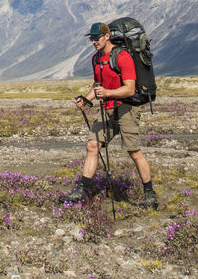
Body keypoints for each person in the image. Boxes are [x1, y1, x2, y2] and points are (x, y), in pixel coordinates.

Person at [59, 22, 158, 208]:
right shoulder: (96, 58)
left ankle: (149, 193)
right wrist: (86, 100)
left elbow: (129, 89)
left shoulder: (123, 57)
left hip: (126, 107)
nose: (94, 41)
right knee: (92, 145)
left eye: (96, 38)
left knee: (134, 152)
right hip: (107, 107)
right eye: (91, 38)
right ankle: (83, 190)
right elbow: (97, 84)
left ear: (107, 36)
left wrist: (107, 93)